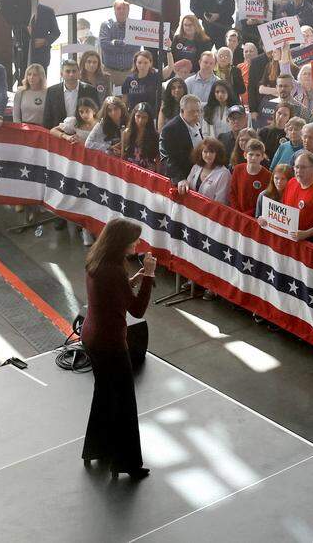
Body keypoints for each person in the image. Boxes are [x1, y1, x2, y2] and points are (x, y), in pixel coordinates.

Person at [80, 219, 157, 479]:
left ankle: (97, 448)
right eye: (134, 240)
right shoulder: (113, 271)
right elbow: (136, 309)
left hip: (91, 336)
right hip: (109, 343)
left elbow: (114, 294)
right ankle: (126, 463)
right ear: (121, 242)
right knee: (124, 402)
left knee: (103, 394)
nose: (137, 244)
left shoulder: (97, 261)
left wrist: (130, 280)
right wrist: (148, 275)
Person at [282, 151, 313, 244]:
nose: (299, 171)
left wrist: (306, 233)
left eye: (303, 167)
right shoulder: (291, 182)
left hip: (310, 241)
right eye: (296, 167)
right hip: (289, 236)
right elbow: (283, 209)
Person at [159, 94, 206, 183]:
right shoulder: (170, 129)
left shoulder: (197, 124)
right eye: (192, 111)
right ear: (182, 111)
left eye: (198, 111)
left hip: (197, 175)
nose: (196, 114)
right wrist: (179, 179)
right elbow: (167, 158)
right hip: (181, 180)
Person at [97, 0, 142, 89]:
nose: (121, 11)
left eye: (124, 8)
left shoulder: (135, 26)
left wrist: (114, 43)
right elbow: (104, 45)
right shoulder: (106, 25)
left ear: (128, 10)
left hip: (130, 73)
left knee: (129, 100)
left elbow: (136, 47)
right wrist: (125, 44)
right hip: (110, 73)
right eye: (118, 8)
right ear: (114, 10)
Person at [44, 59, 101, 129]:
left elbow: (97, 114)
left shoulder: (90, 90)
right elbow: (47, 117)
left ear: (79, 73)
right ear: (61, 74)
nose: (71, 74)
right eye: (68, 71)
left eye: (74, 71)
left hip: (84, 132)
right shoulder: (52, 91)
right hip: (58, 134)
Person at [177, 138, 231, 205]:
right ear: (200, 153)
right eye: (205, 152)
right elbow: (188, 189)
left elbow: (220, 202)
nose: (208, 155)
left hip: (209, 213)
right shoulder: (196, 167)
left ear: (217, 154)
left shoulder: (224, 173)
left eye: (212, 152)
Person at [228, 139, 272, 215]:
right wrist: (237, 211)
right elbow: (232, 192)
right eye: (251, 154)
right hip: (237, 213)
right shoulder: (238, 169)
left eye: (257, 155)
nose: (254, 158)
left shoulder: (268, 175)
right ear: (245, 155)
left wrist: (248, 214)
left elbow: (264, 202)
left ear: (262, 157)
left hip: (254, 217)